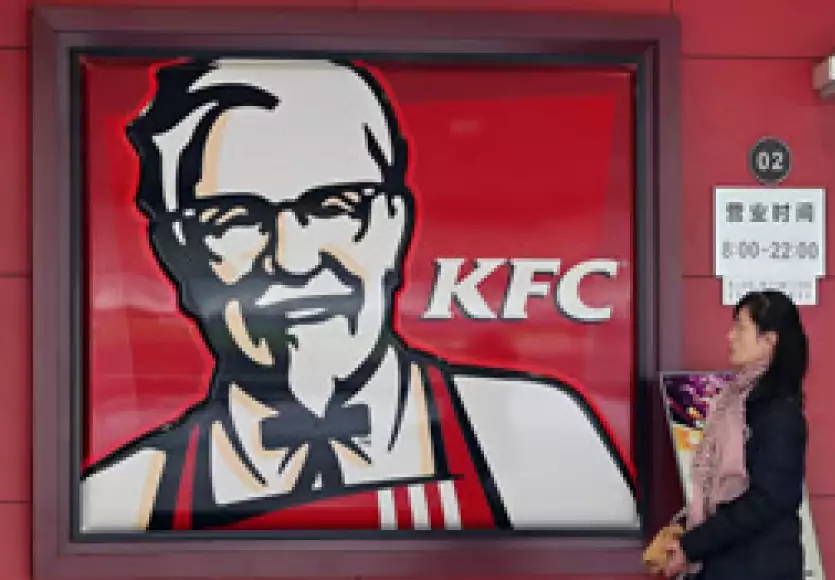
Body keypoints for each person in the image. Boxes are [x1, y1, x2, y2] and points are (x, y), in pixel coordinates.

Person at [79, 57, 638, 534]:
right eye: (237, 218)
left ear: (395, 227)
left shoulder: (548, 441)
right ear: (177, 253)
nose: (294, 259)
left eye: (334, 208)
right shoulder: (123, 499)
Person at [659, 289, 809, 580]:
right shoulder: (734, 404)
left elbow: (767, 501)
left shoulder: (778, 414)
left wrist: (693, 545)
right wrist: (685, 534)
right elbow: (716, 491)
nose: (729, 336)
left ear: (770, 341)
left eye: (740, 327)